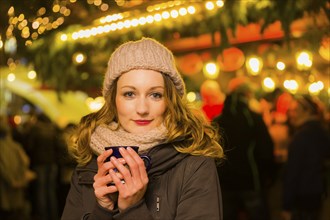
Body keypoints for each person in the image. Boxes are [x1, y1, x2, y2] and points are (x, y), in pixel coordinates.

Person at [61, 38, 224, 220]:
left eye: (155, 95)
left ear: (170, 101)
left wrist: (132, 209)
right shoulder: (90, 162)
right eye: (129, 94)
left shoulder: (194, 164)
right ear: (113, 100)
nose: (142, 109)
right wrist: (103, 210)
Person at [212, 77, 276, 220]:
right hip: (250, 180)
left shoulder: (218, 121)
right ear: (247, 95)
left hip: (224, 182)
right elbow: (265, 149)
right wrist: (269, 175)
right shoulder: (253, 119)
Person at [282, 95, 330, 220]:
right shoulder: (322, 131)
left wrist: (286, 205)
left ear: (307, 111)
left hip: (302, 195)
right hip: (317, 193)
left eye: (295, 110)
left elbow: (293, 172)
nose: (291, 114)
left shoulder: (302, 136)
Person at [0, 115, 36, 220]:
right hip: (17, 185)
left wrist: (11, 180)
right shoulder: (16, 146)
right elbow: (25, 161)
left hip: (5, 186)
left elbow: (2, 168)